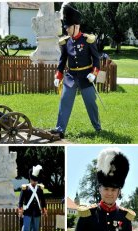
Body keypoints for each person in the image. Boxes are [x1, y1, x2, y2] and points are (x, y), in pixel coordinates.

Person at [51, 4, 102, 139]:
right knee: (64, 101)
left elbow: (97, 60)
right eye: (65, 27)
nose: (66, 29)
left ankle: (98, 128)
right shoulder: (65, 42)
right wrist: (58, 75)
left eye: (68, 27)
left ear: (76, 26)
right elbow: (62, 62)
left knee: (91, 104)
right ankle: (60, 129)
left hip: (86, 77)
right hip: (71, 76)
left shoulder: (88, 40)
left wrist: (94, 73)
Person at [18, 165, 47, 231]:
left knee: (35, 229)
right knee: (26, 228)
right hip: (27, 211)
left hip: (37, 212)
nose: (34, 182)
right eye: (33, 180)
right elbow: (20, 201)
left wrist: (44, 210)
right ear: (30, 179)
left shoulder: (40, 189)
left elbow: (43, 201)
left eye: (36, 180)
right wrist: (20, 210)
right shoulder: (25, 188)